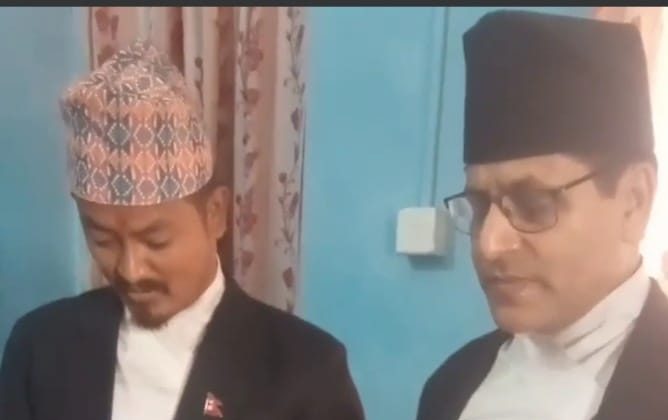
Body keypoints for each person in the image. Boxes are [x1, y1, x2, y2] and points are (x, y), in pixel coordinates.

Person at [0, 39, 364, 420]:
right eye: (104, 239)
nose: (131, 269)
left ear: (216, 214)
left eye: (155, 240)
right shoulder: (40, 347)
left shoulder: (306, 371)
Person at [417, 10, 668, 420]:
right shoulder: (451, 385)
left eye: (533, 204)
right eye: (480, 206)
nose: (489, 245)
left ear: (634, 200)